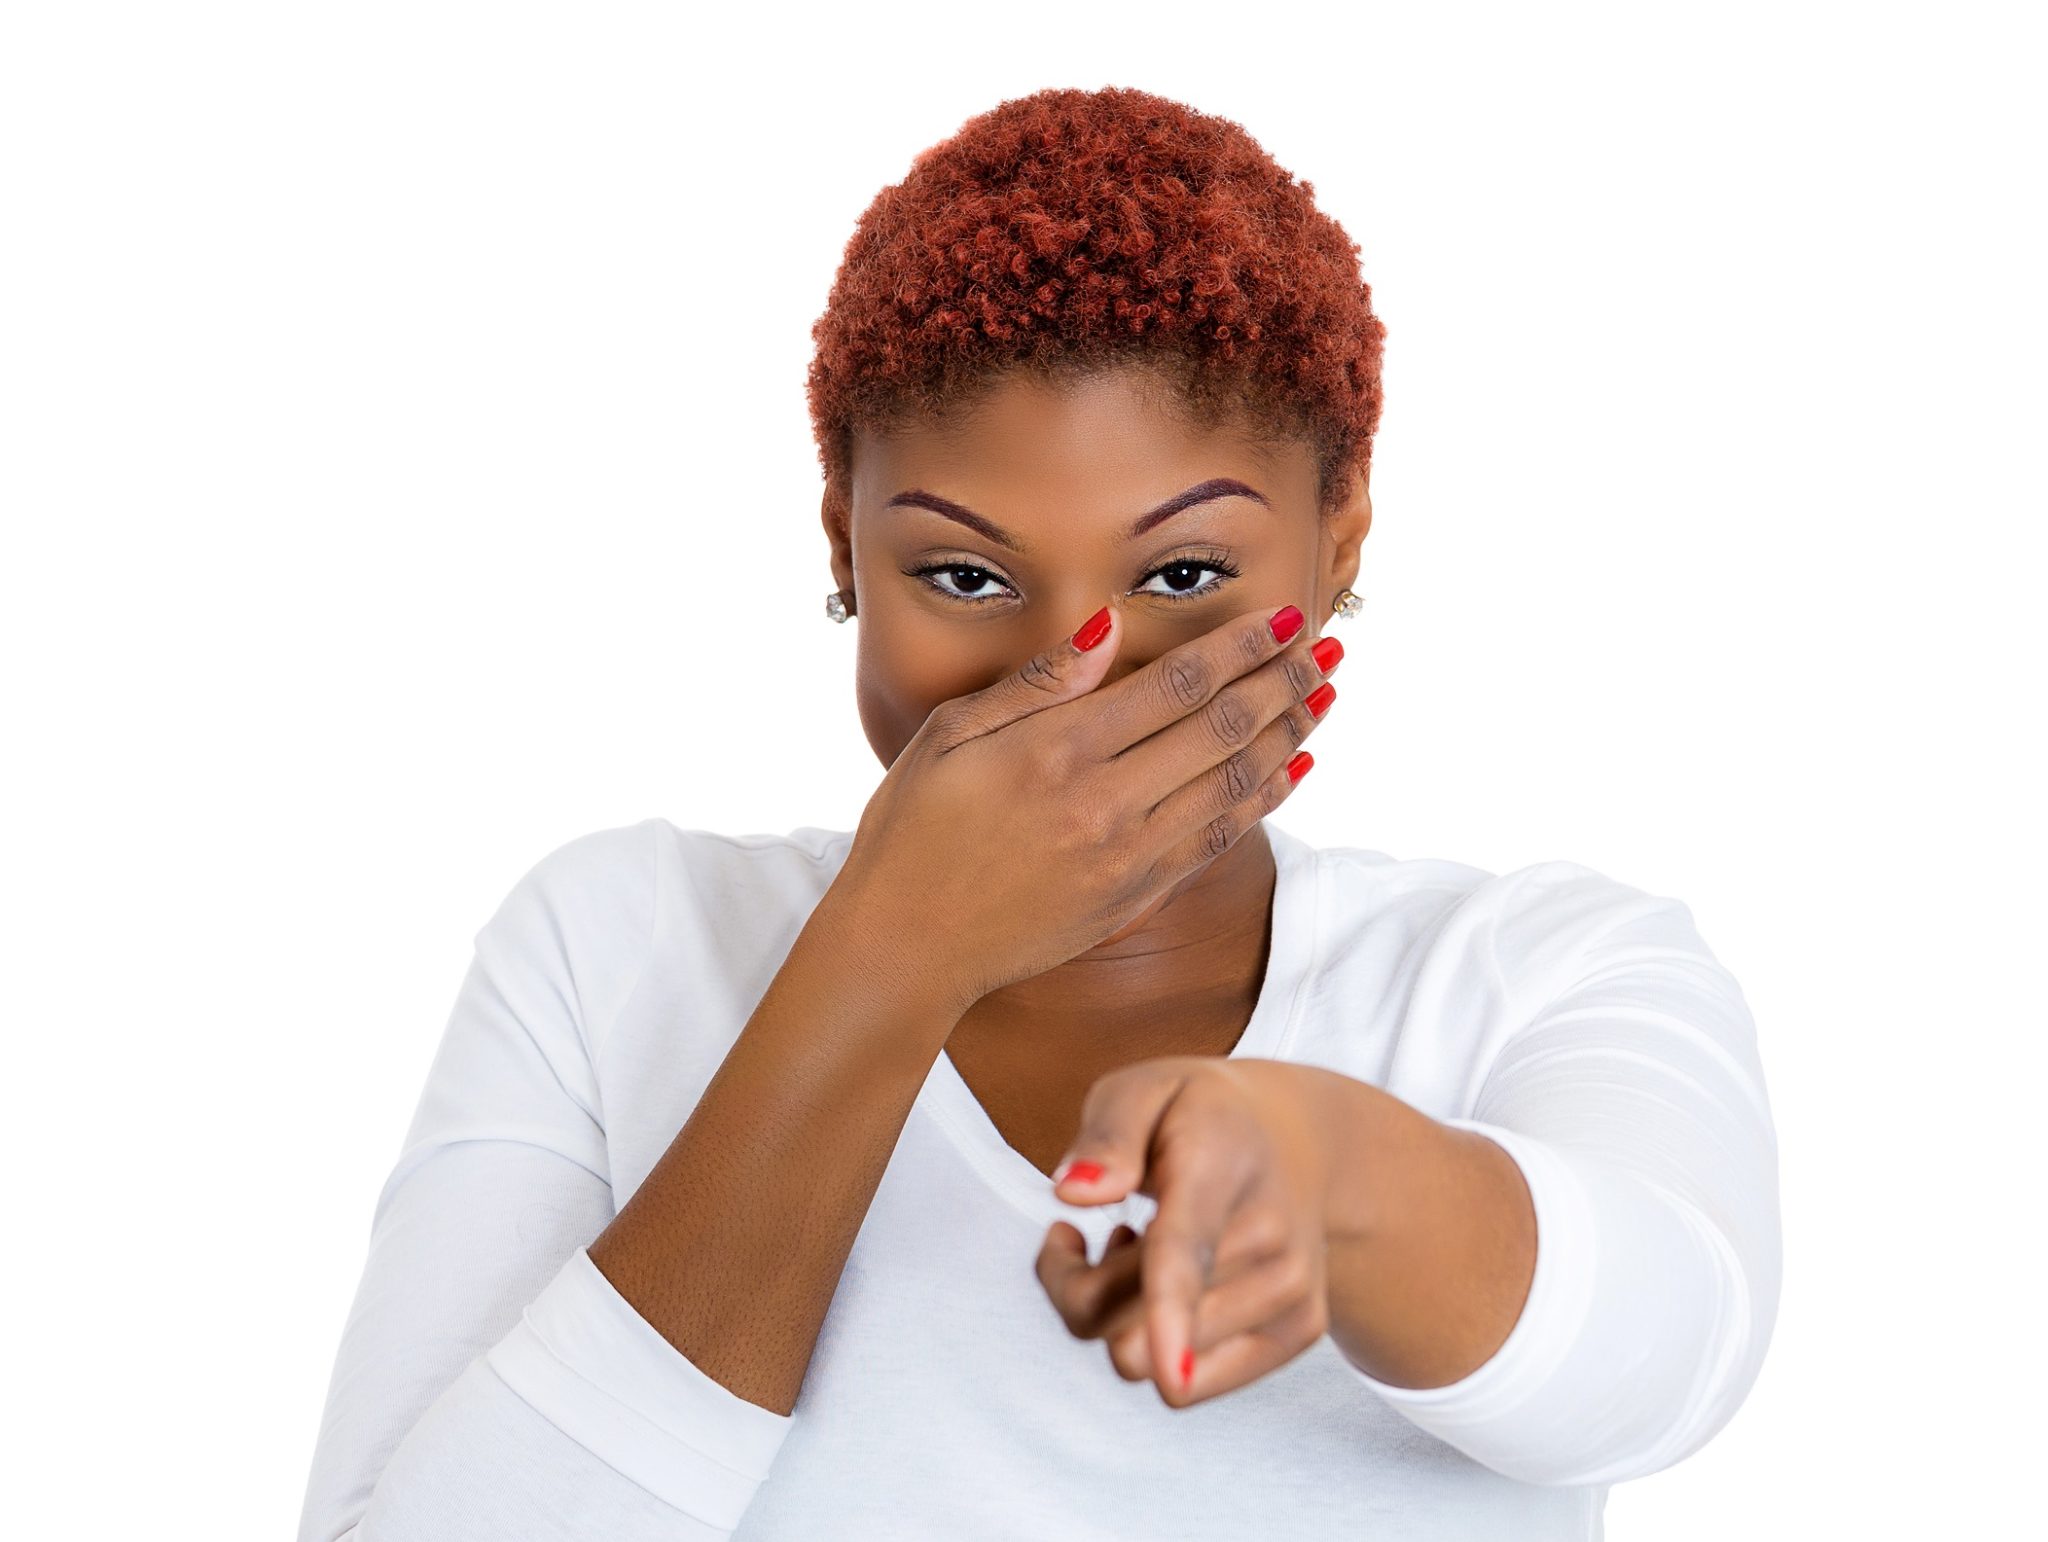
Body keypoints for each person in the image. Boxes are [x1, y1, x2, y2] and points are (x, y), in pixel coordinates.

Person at [295, 85, 1780, 1541]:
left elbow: (1663, 1358)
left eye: (1184, 577)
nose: (1073, 688)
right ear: (845, 544)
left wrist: (1332, 1177)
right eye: (965, 576)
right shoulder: (612, 946)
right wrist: (891, 955)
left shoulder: (1539, 973)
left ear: (1338, 543)